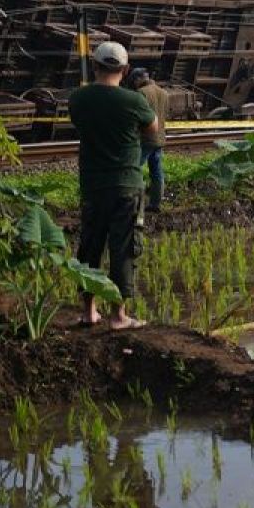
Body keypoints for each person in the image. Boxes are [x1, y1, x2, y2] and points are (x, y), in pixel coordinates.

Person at [69, 42, 157, 330]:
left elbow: (79, 125)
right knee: (123, 249)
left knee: (90, 247)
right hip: (126, 186)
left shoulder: (79, 99)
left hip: (93, 186)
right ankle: (119, 316)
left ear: (95, 66)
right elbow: (152, 129)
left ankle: (88, 311)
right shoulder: (134, 101)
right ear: (125, 69)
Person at [129, 68, 169, 213]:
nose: (134, 84)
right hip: (160, 138)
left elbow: (137, 118)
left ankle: (134, 203)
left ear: (138, 79)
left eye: (134, 81)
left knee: (134, 169)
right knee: (157, 172)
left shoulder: (141, 94)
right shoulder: (164, 93)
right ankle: (156, 203)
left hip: (145, 139)